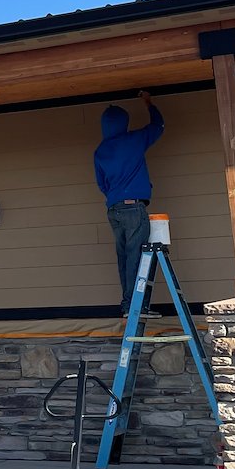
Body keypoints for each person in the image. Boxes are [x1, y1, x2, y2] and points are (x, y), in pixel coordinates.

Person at [94, 91, 164, 316]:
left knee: (124, 258)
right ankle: (137, 307)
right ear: (124, 123)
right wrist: (148, 102)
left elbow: (102, 184)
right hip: (133, 207)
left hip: (113, 209)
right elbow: (158, 126)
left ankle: (128, 305)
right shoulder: (133, 140)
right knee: (137, 256)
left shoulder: (101, 150)